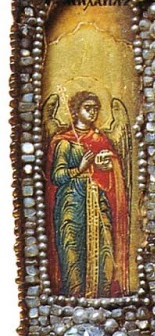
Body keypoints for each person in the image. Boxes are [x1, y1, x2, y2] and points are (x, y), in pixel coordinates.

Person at [45, 90, 133, 297]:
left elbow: (112, 171)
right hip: (71, 205)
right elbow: (57, 176)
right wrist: (81, 167)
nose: (93, 112)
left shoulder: (100, 139)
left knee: (104, 249)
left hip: (97, 203)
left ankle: (101, 296)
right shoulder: (64, 141)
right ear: (76, 111)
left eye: (96, 109)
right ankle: (74, 297)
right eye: (88, 108)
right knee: (72, 250)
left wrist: (107, 166)